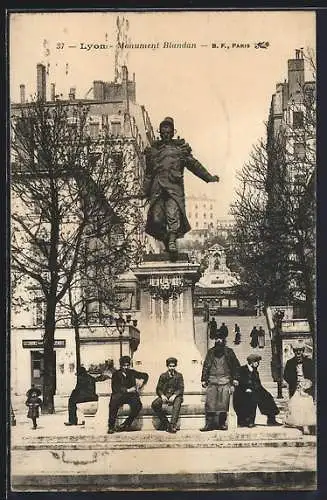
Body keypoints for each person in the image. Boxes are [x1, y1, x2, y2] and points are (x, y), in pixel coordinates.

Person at [142, 117, 219, 257]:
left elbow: (194, 165)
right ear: (160, 133)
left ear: (172, 132)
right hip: (157, 189)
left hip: (174, 189)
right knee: (157, 218)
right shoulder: (153, 151)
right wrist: (144, 190)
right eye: (163, 132)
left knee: (173, 215)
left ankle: (172, 241)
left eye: (168, 132)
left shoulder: (180, 150)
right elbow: (148, 173)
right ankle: (167, 241)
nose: (165, 135)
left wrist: (208, 177)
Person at [200, 330, 241, 431]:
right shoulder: (210, 352)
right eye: (217, 338)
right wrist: (204, 379)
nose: (218, 340)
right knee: (210, 403)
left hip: (225, 380)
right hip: (212, 380)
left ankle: (222, 423)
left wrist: (235, 378)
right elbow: (206, 366)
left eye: (220, 338)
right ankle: (209, 424)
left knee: (223, 403)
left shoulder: (229, 352)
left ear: (224, 340)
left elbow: (236, 366)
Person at [233, 354, 281, 428]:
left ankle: (271, 419)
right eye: (256, 362)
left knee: (268, 397)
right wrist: (246, 388)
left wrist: (262, 391)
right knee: (251, 399)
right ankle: (249, 421)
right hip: (243, 391)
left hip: (255, 389)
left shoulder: (255, 371)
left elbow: (258, 383)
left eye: (258, 362)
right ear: (251, 362)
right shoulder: (242, 369)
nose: (258, 364)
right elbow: (238, 380)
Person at [108, 355, 149, 434]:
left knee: (138, 405)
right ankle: (111, 426)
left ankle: (126, 424)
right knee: (113, 403)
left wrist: (142, 383)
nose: (126, 367)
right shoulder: (116, 374)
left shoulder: (132, 372)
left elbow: (145, 375)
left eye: (127, 365)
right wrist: (127, 390)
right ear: (121, 365)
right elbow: (115, 388)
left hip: (130, 396)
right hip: (120, 395)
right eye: (124, 365)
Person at [283, 341, 315, 435]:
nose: (298, 353)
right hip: (295, 388)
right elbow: (286, 375)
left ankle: (306, 426)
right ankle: (298, 424)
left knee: (307, 406)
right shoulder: (290, 362)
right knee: (296, 406)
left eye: (300, 351)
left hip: (307, 388)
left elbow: (314, 374)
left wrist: (309, 382)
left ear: (303, 351)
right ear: (293, 351)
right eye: (296, 351)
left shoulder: (309, 362)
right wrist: (294, 382)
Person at [152, 357, 184, 433]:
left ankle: (173, 425)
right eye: (170, 366)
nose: (172, 368)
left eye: (173, 366)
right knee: (155, 404)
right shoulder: (163, 376)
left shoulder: (179, 376)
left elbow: (181, 388)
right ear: (167, 366)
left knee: (177, 403)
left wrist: (175, 395)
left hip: (176, 396)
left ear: (175, 366)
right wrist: (162, 395)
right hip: (166, 395)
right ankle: (166, 423)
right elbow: (158, 388)